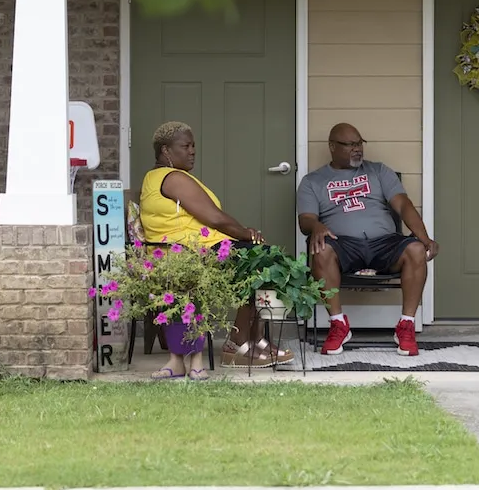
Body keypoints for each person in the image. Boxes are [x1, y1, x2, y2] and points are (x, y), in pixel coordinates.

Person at [140, 121, 295, 379]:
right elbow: (214, 218)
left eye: (193, 146)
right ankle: (239, 343)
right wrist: (246, 233)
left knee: (264, 259)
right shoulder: (173, 178)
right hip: (187, 254)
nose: (192, 151)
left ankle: (253, 340)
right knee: (262, 262)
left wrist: (244, 235)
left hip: (197, 248)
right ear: (166, 150)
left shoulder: (160, 177)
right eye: (185, 146)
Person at [296, 123, 438, 357]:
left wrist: (425, 239)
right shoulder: (313, 181)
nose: (357, 149)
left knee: (414, 248)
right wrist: (316, 226)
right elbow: (306, 221)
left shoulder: (379, 171)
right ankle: (338, 324)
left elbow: (403, 205)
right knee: (320, 249)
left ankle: (406, 325)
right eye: (350, 144)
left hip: (384, 243)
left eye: (359, 143)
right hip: (343, 246)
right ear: (332, 146)